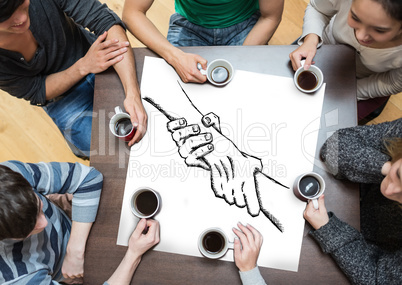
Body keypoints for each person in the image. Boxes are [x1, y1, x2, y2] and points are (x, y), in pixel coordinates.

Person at [0, 0, 147, 159]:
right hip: (62, 97)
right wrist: (83, 66)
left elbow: (104, 21)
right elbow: (37, 90)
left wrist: (132, 93)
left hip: (95, 53)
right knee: (109, 152)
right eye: (5, 17)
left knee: (149, 107)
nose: (21, 18)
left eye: (22, 4)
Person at [0, 160, 160, 284]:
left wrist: (74, 251)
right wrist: (133, 254)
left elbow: (89, 178)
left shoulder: (11, 175)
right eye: (30, 229)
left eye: (39, 208)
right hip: (71, 273)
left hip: (72, 233)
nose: (44, 223)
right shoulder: (16, 278)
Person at [303, 118, 402, 284]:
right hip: (350, 196)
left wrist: (329, 230)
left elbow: (377, 280)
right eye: (399, 174)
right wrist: (385, 168)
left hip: (369, 246)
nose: (389, 191)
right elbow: (334, 147)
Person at [289, 0, 402, 122]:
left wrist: (350, 91)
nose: (360, 36)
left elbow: (393, 82)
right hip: (322, 48)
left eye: (379, 30)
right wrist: (311, 39)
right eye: (355, 17)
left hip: (367, 82)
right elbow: (318, 8)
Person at [122, 0, 284, 83]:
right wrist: (175, 57)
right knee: (175, 89)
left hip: (244, 24)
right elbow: (132, 13)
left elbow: (270, 17)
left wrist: (242, 60)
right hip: (189, 24)